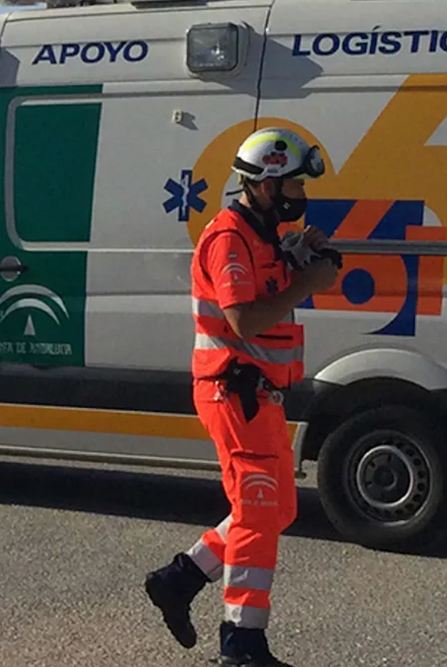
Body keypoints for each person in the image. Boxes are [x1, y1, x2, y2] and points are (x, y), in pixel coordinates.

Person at [145, 128, 341, 667]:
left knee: (275, 510)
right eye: (292, 184)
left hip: (259, 395)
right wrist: (307, 284)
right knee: (257, 515)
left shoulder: (260, 236)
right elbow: (245, 319)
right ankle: (242, 644)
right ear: (262, 184)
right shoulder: (229, 238)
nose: (299, 195)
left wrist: (299, 256)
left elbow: (264, 288)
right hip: (235, 392)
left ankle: (178, 580)